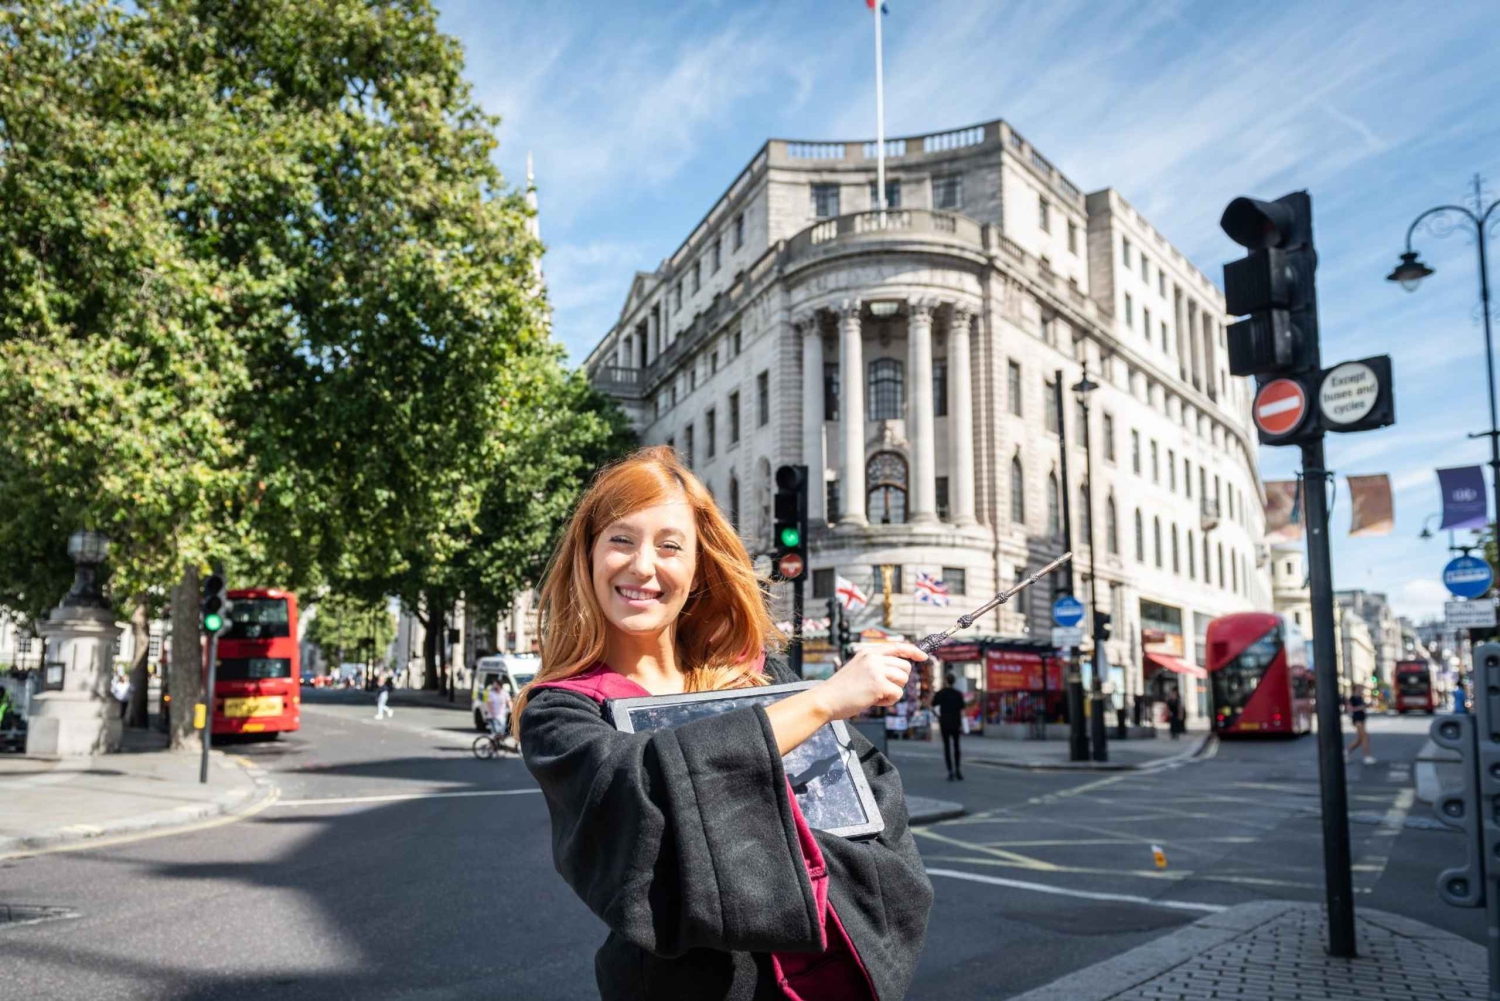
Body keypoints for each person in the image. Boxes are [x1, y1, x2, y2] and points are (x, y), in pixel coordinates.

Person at [517, 446, 933, 1001]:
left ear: (696, 568)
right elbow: (637, 791)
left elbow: (871, 806)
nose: (643, 565)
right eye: (621, 539)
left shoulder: (758, 676)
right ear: (589, 554)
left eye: (670, 546)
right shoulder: (562, 710)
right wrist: (819, 703)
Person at [932, 672, 965, 781]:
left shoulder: (941, 693)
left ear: (946, 681)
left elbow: (932, 705)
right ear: (954, 681)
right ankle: (958, 770)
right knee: (956, 746)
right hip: (956, 723)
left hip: (944, 723)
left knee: (947, 747)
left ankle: (950, 771)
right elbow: (962, 710)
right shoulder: (958, 694)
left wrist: (938, 716)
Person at [1346, 685, 1374, 765]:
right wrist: (1362, 707)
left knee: (1359, 739)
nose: (1361, 690)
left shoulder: (1360, 698)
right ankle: (1367, 756)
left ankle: (1346, 751)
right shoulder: (1352, 698)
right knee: (1365, 736)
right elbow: (1350, 709)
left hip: (1362, 718)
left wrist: (1366, 706)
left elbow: (1363, 707)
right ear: (1355, 689)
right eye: (1360, 688)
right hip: (1357, 719)